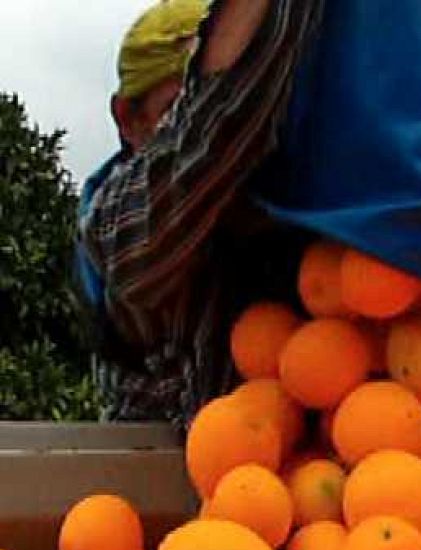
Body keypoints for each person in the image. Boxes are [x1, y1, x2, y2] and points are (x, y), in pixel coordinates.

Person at [76, 0, 323, 425]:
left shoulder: (287, 205)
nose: (192, 124)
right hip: (162, 482)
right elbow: (210, 138)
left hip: (310, 479)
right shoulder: (115, 222)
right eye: (176, 109)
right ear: (127, 120)